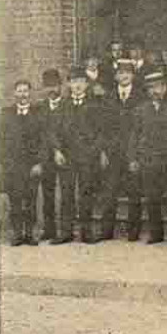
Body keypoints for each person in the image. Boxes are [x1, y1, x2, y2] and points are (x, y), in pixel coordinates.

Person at [128, 69, 167, 250]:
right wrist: (133, 158)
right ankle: (157, 234)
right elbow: (134, 136)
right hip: (148, 161)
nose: (155, 91)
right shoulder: (140, 110)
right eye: (151, 88)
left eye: (159, 87)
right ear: (147, 90)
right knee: (152, 199)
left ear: (165, 87)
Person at [50, 66, 110, 243]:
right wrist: (57, 150)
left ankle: (86, 232)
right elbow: (52, 131)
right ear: (68, 84)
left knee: (86, 193)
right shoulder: (62, 105)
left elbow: (102, 132)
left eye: (81, 82)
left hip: (87, 156)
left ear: (86, 84)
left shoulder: (95, 105)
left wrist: (96, 151)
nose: (77, 85)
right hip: (66, 156)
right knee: (67, 193)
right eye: (73, 81)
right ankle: (66, 232)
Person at [100, 59, 143, 241]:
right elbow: (101, 127)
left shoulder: (141, 96)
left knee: (134, 192)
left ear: (132, 75)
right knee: (109, 192)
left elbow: (142, 128)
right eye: (121, 73)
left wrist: (138, 155)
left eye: (128, 72)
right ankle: (106, 231)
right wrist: (103, 151)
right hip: (113, 153)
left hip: (133, 153)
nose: (124, 76)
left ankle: (134, 231)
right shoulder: (109, 97)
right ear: (116, 76)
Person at [0, 80, 44, 245]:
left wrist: (39, 163)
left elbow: (43, 140)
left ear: (30, 93)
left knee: (31, 200)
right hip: (13, 165)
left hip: (32, 166)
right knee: (15, 201)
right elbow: (0, 140)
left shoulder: (38, 113)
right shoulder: (6, 113)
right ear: (14, 94)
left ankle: (30, 234)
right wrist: (3, 162)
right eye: (20, 91)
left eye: (26, 91)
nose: (23, 94)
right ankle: (17, 234)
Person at [36, 68, 72, 243]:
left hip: (65, 155)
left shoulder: (68, 105)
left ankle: (65, 232)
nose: (51, 89)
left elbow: (67, 131)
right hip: (46, 157)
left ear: (61, 86)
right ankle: (49, 230)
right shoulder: (40, 107)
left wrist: (59, 150)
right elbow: (43, 132)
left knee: (66, 194)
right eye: (47, 86)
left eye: (55, 86)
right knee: (48, 194)